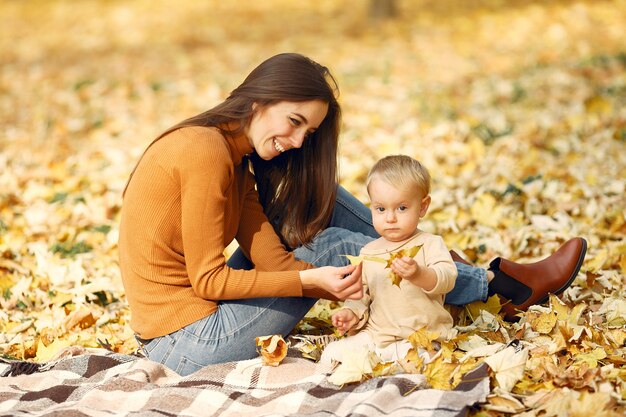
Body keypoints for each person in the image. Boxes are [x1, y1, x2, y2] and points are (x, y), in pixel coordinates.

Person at [118, 52, 587, 376]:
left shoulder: (237, 162)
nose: (299, 142)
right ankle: (487, 286)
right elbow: (208, 282)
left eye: (310, 131)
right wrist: (314, 280)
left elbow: (274, 263)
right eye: (295, 122)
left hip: (195, 324)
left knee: (324, 199)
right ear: (259, 99)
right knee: (337, 247)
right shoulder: (204, 150)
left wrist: (318, 279)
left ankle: (463, 282)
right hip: (184, 343)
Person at [321, 155, 457, 365]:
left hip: (421, 336)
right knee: (332, 353)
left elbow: (447, 278)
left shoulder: (430, 243)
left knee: (418, 362)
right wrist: (350, 312)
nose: (390, 218)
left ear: (422, 207)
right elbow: (361, 294)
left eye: (402, 208)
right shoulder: (368, 252)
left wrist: (420, 274)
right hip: (378, 336)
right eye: (380, 209)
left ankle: (407, 365)